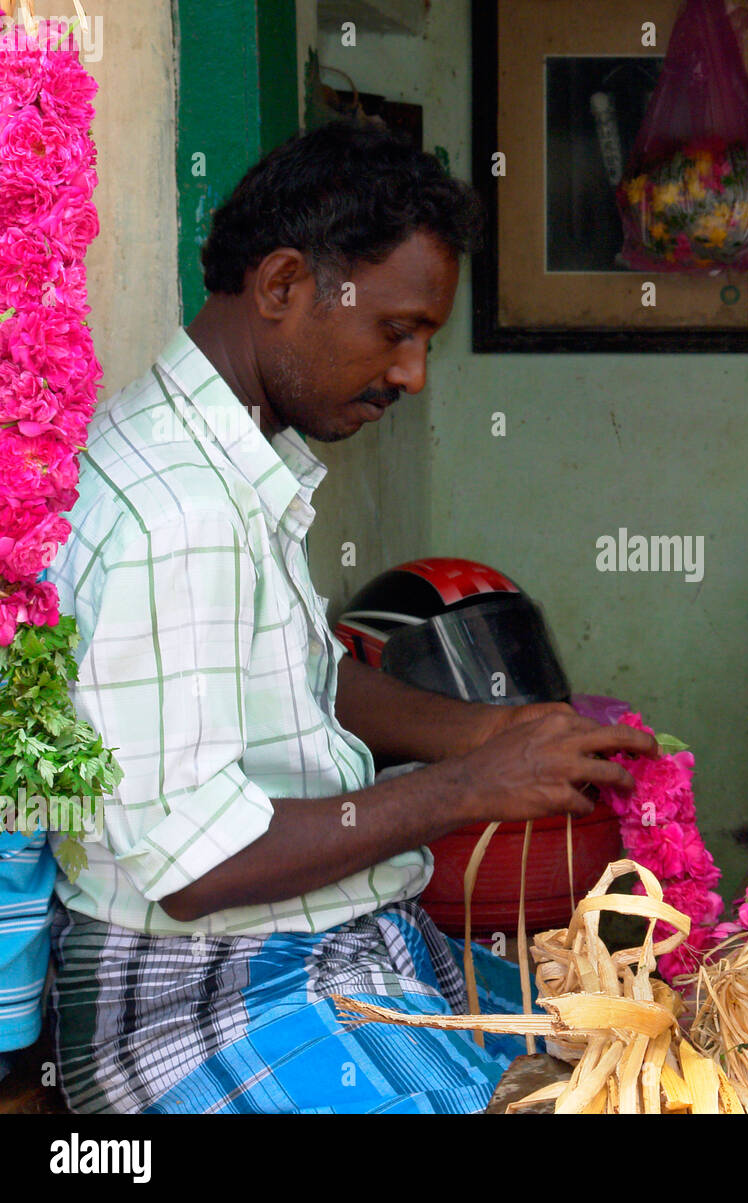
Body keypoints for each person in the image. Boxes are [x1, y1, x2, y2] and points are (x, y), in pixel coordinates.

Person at [45, 120, 658, 1115]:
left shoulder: (226, 458)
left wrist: (488, 732)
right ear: (284, 286)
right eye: (397, 331)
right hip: (200, 996)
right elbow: (195, 864)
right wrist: (466, 786)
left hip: (321, 945)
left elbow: (299, 674)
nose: (413, 374)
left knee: (633, 1047)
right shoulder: (180, 512)